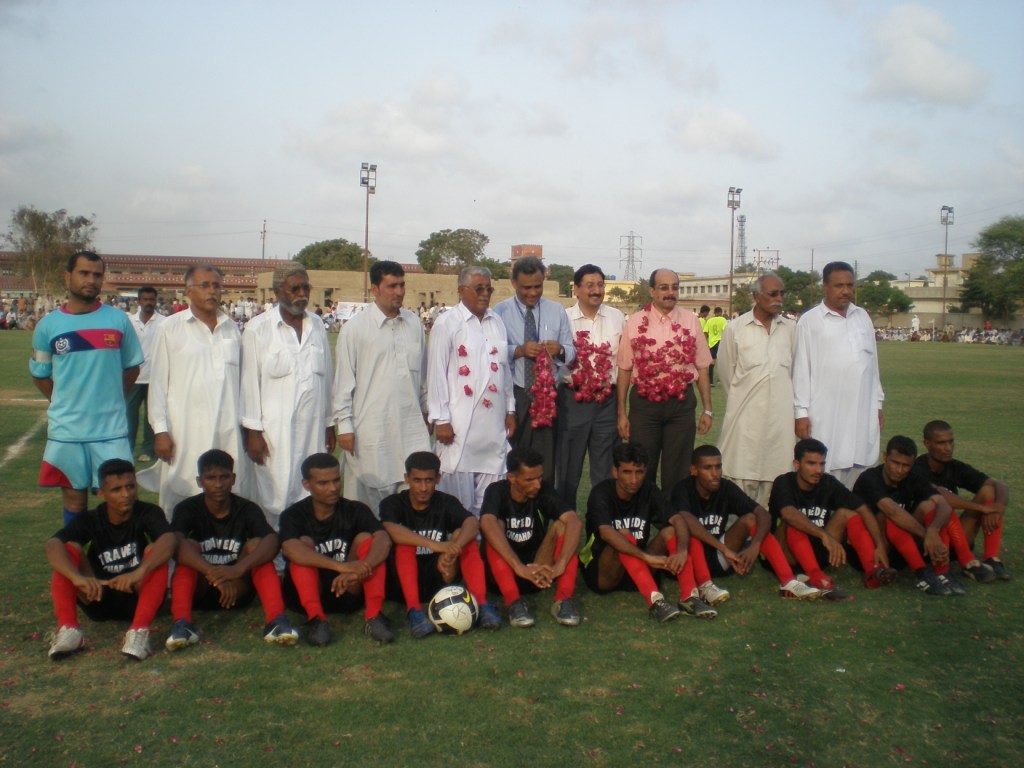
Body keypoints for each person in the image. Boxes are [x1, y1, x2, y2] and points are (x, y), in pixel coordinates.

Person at [30, 251, 144, 526]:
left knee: (121, 505)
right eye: (84, 273)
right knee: (75, 503)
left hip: (111, 430)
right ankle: (75, 553)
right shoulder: (47, 326)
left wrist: (113, 397)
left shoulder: (118, 321)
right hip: (68, 431)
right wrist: (62, 401)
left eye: (97, 275)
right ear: (68, 276)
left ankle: (117, 555)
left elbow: (132, 367)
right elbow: (40, 373)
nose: (91, 280)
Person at [143, 265, 250, 517]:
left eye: (216, 286)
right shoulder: (170, 327)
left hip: (227, 427)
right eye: (204, 285)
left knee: (226, 490)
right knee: (181, 488)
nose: (212, 291)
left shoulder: (231, 328)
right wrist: (160, 431)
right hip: (184, 429)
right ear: (188, 291)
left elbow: (240, 383)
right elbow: (158, 384)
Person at [165, 450, 298, 651]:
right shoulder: (187, 508)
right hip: (201, 586)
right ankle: (182, 623)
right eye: (211, 478)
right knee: (187, 545)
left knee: (256, 545)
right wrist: (213, 573)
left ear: (233, 479)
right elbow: (174, 544)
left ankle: (276, 619)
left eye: (224, 477)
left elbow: (272, 540)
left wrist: (236, 570)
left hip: (237, 587)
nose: (218, 484)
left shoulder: (247, 508)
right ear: (200, 481)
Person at [44, 459, 174, 661]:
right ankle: (69, 629)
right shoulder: (91, 519)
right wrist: (77, 577)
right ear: (101, 493)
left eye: (130, 487)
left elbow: (169, 540)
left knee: (155, 550)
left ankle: (139, 631)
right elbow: (52, 545)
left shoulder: (147, 512)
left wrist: (138, 573)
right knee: (70, 548)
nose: (126, 494)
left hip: (137, 594)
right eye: (116, 489)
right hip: (97, 595)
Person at [241, 264, 335, 528]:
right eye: (295, 288)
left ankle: (307, 543)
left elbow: (327, 377)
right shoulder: (258, 328)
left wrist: (329, 424)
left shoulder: (317, 325)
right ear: (277, 291)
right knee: (276, 491)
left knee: (312, 487)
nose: (302, 294)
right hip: (274, 432)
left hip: (312, 428)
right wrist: (253, 432)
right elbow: (249, 384)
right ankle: (275, 546)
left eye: (305, 288)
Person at [333, 261, 429, 514]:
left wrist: (426, 410)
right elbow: (343, 383)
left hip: (410, 428)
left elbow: (423, 377)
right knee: (367, 508)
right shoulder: (355, 329)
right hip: (371, 430)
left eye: (402, 285)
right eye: (392, 286)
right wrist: (344, 426)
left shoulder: (414, 324)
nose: (399, 292)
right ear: (374, 289)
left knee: (410, 505)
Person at [581, 442, 715, 621]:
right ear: (615, 472)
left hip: (638, 569)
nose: (634, 480)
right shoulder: (601, 493)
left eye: (639, 472)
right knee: (622, 534)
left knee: (670, 531)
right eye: (627, 472)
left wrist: (682, 550)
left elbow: (678, 520)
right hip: (604, 574)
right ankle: (655, 601)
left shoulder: (649, 490)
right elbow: (606, 533)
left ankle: (689, 598)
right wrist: (647, 557)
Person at [671, 445, 822, 602]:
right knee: (689, 531)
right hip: (688, 559)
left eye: (718, 467)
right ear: (694, 470)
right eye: (708, 468)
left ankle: (788, 582)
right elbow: (686, 519)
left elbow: (763, 514)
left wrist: (755, 545)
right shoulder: (682, 489)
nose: (715, 474)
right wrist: (724, 549)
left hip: (720, 558)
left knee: (751, 518)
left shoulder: (725, 487)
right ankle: (705, 587)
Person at [380, 451, 502, 638]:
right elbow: (389, 528)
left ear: (438, 478)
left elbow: (472, 523)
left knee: (463, 535)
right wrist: (434, 545)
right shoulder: (393, 503)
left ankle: (482, 602)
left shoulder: (446, 501)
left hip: (440, 575)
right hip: (401, 583)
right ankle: (413, 610)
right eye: (417, 480)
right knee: (405, 542)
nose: (423, 488)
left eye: (429, 480)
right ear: (406, 478)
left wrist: (454, 548)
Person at [278, 453, 394, 646]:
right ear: (306, 484)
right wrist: (342, 567)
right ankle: (315, 618)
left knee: (367, 540)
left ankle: (374, 615)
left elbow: (383, 540)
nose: (332, 488)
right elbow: (290, 549)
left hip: (349, 587)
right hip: (307, 592)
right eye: (323, 483)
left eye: (336, 480)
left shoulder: (355, 509)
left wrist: (361, 568)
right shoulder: (293, 515)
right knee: (302, 544)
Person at [427, 266, 515, 517]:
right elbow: (435, 374)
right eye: (479, 289)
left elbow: (504, 370)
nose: (485, 294)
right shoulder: (447, 323)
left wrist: (510, 409)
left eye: (489, 289)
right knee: (458, 508)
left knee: (488, 508)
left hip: (493, 427)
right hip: (458, 426)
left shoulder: (496, 322)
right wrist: (441, 419)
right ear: (461, 290)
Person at [616, 268, 713, 494]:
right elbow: (624, 368)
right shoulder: (635, 322)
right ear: (651, 291)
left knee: (678, 470)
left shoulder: (691, 321)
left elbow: (702, 365)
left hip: (681, 405)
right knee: (641, 465)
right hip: (645, 405)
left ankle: (674, 513)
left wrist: (708, 409)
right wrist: (621, 413)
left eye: (674, 288)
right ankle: (644, 512)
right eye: (664, 287)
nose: (670, 293)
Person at [793, 261, 884, 489]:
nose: (846, 291)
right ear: (825, 287)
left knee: (862, 470)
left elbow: (873, 365)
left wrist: (878, 404)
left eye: (850, 285)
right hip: (826, 413)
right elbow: (801, 370)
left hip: (863, 410)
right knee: (826, 467)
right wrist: (801, 413)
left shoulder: (862, 316)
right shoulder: (810, 321)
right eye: (839, 286)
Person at [853, 435, 981, 596]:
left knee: (931, 506)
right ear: (885, 457)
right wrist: (927, 535)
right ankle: (922, 573)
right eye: (895, 463)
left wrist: (933, 531)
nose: (900, 470)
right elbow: (891, 510)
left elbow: (943, 504)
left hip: (904, 543)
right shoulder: (869, 478)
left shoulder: (913, 476)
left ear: (913, 463)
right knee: (889, 515)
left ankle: (943, 572)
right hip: (878, 547)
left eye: (906, 465)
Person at [770, 439, 893, 601]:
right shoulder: (783, 482)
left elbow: (862, 508)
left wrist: (879, 545)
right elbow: (788, 514)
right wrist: (824, 535)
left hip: (816, 551)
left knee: (848, 514)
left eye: (822, 464)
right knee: (793, 522)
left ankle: (872, 570)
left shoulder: (828, 483)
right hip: (786, 555)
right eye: (811, 464)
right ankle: (817, 577)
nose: (818, 470)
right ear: (796, 464)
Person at [479, 447, 583, 627]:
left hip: (537, 573)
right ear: (512, 477)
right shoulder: (496, 491)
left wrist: (560, 564)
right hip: (501, 575)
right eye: (530, 480)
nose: (537, 485)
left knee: (563, 525)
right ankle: (513, 602)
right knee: (495, 526)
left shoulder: (543, 490)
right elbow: (486, 523)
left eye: (539, 477)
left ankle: (563, 599)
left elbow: (575, 522)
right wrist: (518, 566)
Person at [493, 256, 575, 485]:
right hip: (514, 394)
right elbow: (491, 352)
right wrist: (519, 350)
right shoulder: (500, 312)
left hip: (546, 396)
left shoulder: (556, 310)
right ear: (513, 284)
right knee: (510, 457)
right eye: (526, 287)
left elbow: (571, 352)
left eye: (538, 286)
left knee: (543, 461)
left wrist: (559, 350)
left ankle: (542, 504)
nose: (533, 293)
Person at [716, 273, 795, 507]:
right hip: (745, 422)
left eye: (782, 293)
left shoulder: (790, 329)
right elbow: (726, 375)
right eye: (773, 294)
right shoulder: (736, 329)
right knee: (742, 481)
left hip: (780, 424)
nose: (779, 299)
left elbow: (794, 373)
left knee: (777, 483)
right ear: (756, 296)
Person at [556, 264, 625, 506]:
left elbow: (623, 362)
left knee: (605, 469)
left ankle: (602, 521)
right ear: (576, 289)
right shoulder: (563, 318)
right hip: (572, 401)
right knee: (568, 467)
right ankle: (566, 521)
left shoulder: (617, 317)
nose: (596, 290)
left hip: (607, 401)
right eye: (589, 285)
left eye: (600, 285)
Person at [914, 420, 1008, 581]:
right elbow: (940, 495)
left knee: (988, 491)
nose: (948, 448)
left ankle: (991, 558)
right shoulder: (917, 468)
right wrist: (983, 509)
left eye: (951, 442)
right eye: (941, 443)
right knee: (942, 505)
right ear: (927, 444)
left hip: (954, 536)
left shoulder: (954, 466)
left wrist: (999, 506)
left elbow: (999, 485)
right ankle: (965, 561)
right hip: (927, 539)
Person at [126, 285, 166, 462]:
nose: (148, 303)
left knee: (152, 417)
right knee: (129, 416)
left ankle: (148, 450)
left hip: (155, 377)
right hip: (133, 377)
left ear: (156, 301)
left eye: (151, 299)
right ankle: (127, 449)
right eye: (145, 299)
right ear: (138, 301)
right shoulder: (129, 322)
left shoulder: (164, 322)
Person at [704, 306, 727, 385]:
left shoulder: (709, 321)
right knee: (721, 361)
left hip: (712, 343)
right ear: (720, 312)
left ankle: (710, 381)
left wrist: (706, 343)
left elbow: (705, 333)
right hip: (721, 342)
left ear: (714, 313)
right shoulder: (723, 319)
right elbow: (726, 330)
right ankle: (720, 380)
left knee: (712, 362)